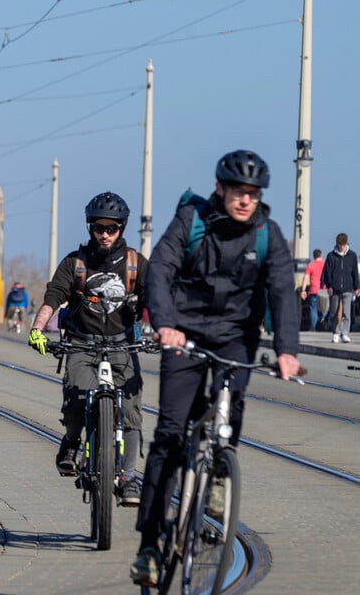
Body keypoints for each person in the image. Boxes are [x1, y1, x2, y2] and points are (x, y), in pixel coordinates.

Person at [131, 150, 300, 586]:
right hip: (183, 333)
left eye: (253, 194)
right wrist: (164, 324)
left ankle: (220, 470)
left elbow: (282, 289)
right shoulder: (192, 220)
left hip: (234, 337)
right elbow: (160, 271)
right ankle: (150, 545)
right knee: (170, 432)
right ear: (220, 188)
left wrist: (286, 349)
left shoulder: (267, 233)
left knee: (231, 406)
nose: (245, 201)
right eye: (238, 192)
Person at [27, 191, 148, 506]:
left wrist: (163, 331)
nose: (105, 235)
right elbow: (54, 295)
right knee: (77, 402)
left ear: (122, 228)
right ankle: (70, 442)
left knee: (132, 412)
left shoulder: (136, 263)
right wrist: (37, 327)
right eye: (99, 228)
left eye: (112, 228)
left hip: (123, 343)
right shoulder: (75, 262)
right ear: (90, 227)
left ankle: (130, 477)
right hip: (82, 343)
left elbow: (155, 301)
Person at [321, 233, 360, 343]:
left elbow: (355, 272)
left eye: (342, 245)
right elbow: (327, 272)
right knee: (333, 312)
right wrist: (329, 285)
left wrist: (357, 287)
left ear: (346, 243)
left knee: (346, 313)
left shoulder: (352, 256)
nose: (340, 247)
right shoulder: (331, 256)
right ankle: (335, 333)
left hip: (348, 288)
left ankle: (345, 333)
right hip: (334, 288)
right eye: (339, 245)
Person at [300, 248, 324, 331]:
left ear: (313, 256)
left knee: (313, 309)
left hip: (313, 290)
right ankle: (323, 320)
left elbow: (306, 278)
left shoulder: (310, 265)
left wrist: (303, 290)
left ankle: (313, 327)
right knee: (326, 308)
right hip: (324, 290)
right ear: (321, 255)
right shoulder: (325, 264)